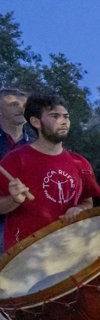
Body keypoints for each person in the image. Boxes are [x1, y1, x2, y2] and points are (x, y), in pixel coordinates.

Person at [0, 94, 100, 320]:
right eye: (55, 116)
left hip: (68, 249)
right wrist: (13, 200)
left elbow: (89, 198)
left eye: (66, 116)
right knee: (14, 317)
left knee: (73, 308)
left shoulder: (78, 162)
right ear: (35, 122)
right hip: (24, 253)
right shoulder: (15, 161)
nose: (63, 121)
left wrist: (80, 209)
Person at [0, 88, 34, 250]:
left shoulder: (38, 145)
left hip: (29, 223)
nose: (21, 109)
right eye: (14, 104)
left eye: (24, 105)